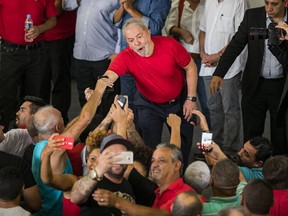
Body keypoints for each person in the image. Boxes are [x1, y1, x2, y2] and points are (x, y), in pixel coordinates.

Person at [92, 18, 198, 168]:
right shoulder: (127, 56)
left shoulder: (170, 45)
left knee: (182, 149)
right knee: (149, 148)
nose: (136, 43)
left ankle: (180, 180)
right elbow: (108, 76)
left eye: (139, 36)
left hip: (178, 101)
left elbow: (191, 67)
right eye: (131, 40)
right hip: (149, 104)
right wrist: (97, 92)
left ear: (148, 33)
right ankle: (152, 184)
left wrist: (191, 98)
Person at [211, 0, 288, 155]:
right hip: (255, 84)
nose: (269, 8)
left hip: (282, 87)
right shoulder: (252, 16)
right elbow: (236, 45)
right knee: (251, 135)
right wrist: (219, 72)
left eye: (274, 4)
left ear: (285, 2)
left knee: (281, 135)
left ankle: (280, 173)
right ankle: (250, 173)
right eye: (266, 3)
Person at [31, 78, 110, 215]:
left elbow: (73, 128)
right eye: (62, 117)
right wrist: (99, 90)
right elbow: (84, 119)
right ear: (58, 127)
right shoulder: (56, 149)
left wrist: (92, 103)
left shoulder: (39, 146)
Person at [199, 0, 248, 156]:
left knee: (230, 110)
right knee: (212, 108)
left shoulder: (239, 2)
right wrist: (202, 53)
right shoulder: (209, 2)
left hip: (229, 67)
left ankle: (232, 150)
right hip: (207, 66)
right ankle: (214, 148)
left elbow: (240, 37)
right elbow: (203, 30)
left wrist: (218, 56)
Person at [0, 0, 57, 132]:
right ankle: (3, 140)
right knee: (5, 97)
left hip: (37, 52)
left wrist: (39, 28)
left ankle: (27, 138)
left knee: (34, 98)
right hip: (9, 52)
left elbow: (52, 20)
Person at [93, 143, 195, 215]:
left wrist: (117, 201)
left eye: (161, 160)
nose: (155, 165)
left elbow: (163, 215)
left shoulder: (185, 193)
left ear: (177, 165)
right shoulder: (157, 193)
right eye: (153, 160)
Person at [112, 0, 171, 125]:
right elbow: (115, 22)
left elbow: (154, 28)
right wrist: (123, 7)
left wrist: (130, 9)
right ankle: (131, 139)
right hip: (126, 58)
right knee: (128, 103)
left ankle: (144, 143)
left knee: (146, 105)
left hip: (146, 60)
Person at [62, 0, 120, 117]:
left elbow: (121, 23)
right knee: (85, 99)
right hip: (81, 56)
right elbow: (66, 5)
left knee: (107, 100)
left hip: (104, 57)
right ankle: (86, 134)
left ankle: (107, 134)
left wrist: (118, 53)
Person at [163, 0, 210, 127]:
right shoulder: (179, 4)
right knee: (183, 103)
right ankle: (184, 139)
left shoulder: (208, 5)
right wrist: (180, 31)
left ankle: (209, 140)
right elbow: (168, 27)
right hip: (182, 62)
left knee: (208, 104)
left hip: (204, 60)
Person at [192, 109, 273, 181]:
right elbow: (212, 161)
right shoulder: (263, 168)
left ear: (258, 164)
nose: (239, 153)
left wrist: (205, 130)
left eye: (246, 154)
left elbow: (216, 163)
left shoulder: (252, 175)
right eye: (242, 148)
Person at [70, 134, 135, 216]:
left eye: (122, 155)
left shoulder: (127, 184)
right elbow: (75, 197)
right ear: (101, 157)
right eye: (111, 155)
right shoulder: (92, 182)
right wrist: (99, 169)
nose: (117, 160)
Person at [40, 0, 76, 124]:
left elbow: (56, 10)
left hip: (60, 36)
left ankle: (59, 123)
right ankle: (40, 124)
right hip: (37, 38)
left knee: (60, 82)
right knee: (39, 83)